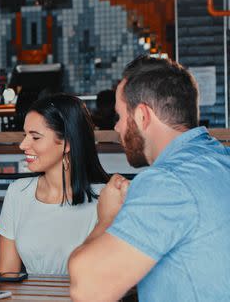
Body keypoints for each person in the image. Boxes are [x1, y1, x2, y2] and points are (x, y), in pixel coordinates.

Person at [68, 56, 230, 301]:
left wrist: (107, 218)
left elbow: (87, 288)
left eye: (120, 116)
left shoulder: (168, 181)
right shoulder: (220, 159)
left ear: (143, 115)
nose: (118, 128)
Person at [0, 94, 109, 275]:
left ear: (67, 143)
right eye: (25, 135)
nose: (23, 145)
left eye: (35, 137)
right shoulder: (17, 192)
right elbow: (7, 276)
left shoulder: (105, 199)